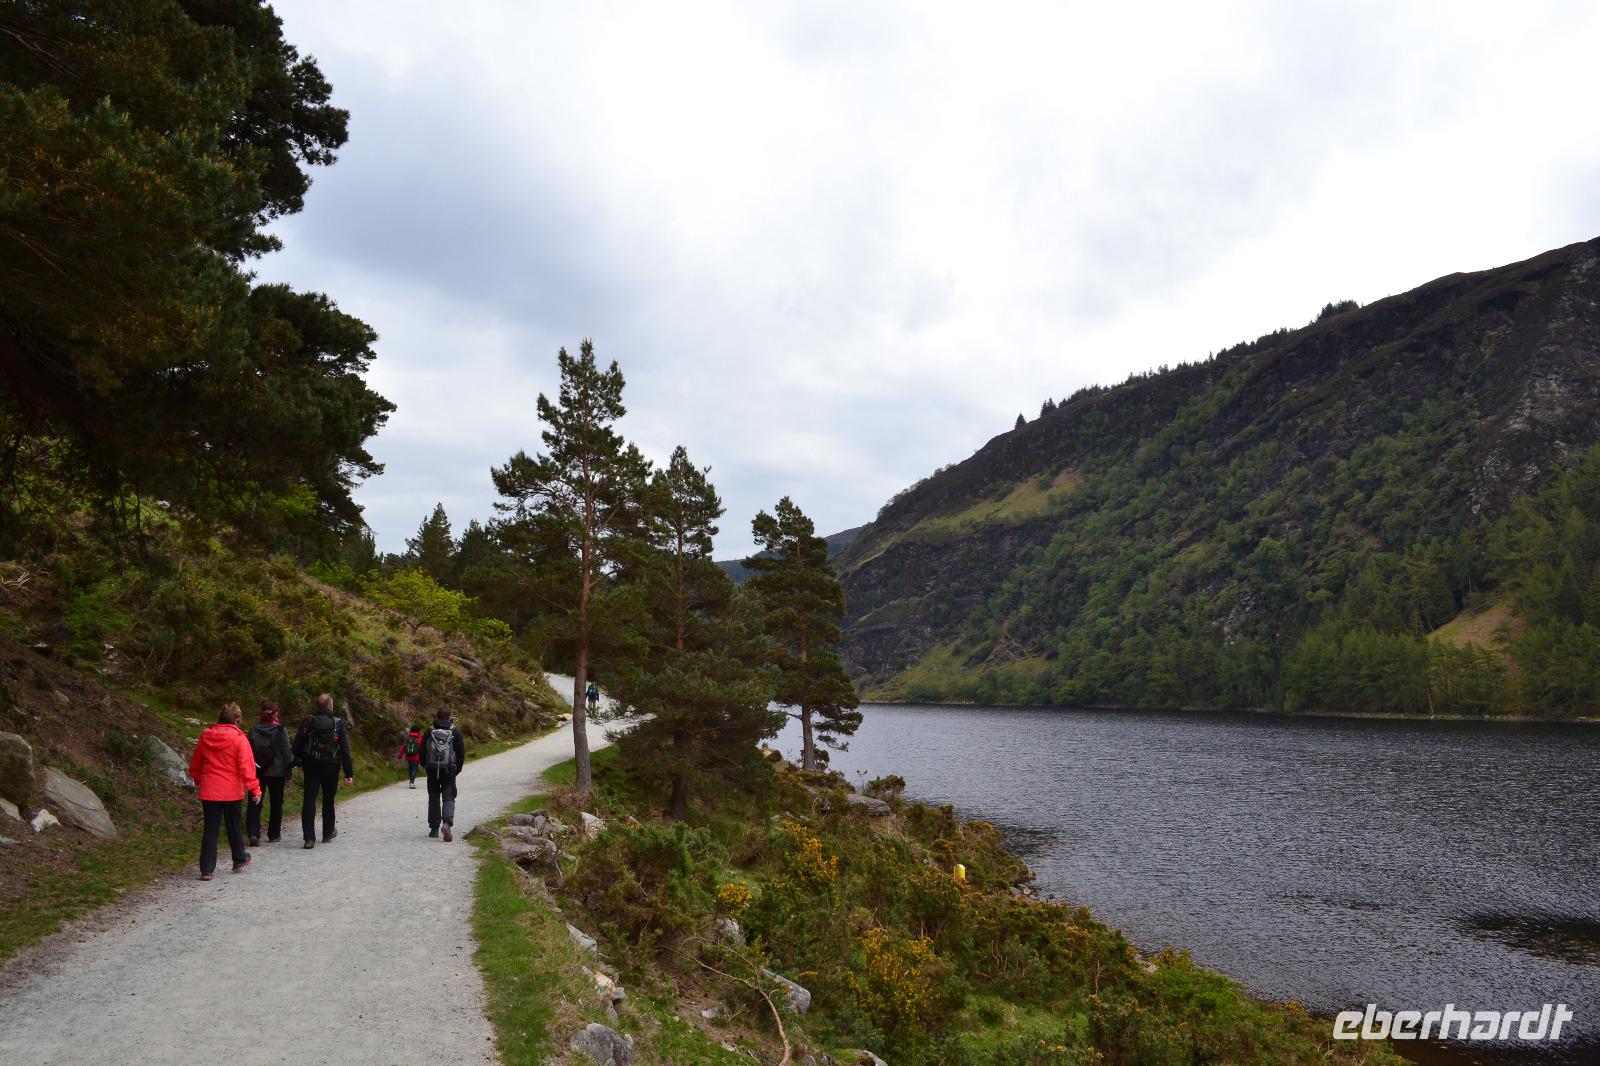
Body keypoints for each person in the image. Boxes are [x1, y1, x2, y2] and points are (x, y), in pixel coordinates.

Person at [187, 702, 261, 881]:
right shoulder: (239, 738)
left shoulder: (206, 736)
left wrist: (198, 780)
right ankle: (239, 859)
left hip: (210, 789)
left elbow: (196, 763)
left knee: (211, 829)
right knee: (233, 826)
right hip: (231, 791)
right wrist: (255, 789)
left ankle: (206, 869)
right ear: (236, 720)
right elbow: (246, 767)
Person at [292, 692, 353, 848]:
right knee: (328, 800)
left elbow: (296, 747)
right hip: (331, 767)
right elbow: (345, 750)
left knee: (309, 800)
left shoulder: (308, 721)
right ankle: (327, 834)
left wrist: (305, 758)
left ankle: (309, 839)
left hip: (311, 767)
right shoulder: (337, 723)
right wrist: (348, 773)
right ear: (330, 706)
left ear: (317, 706)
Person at [246, 702, 293, 845]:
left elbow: (248, 753)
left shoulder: (253, 730)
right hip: (277, 773)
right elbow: (286, 753)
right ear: (276, 713)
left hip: (258, 771)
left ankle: (253, 834)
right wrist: (288, 774)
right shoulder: (280, 730)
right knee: (276, 803)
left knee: (255, 802)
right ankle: (274, 834)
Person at [421, 708, 465, 842]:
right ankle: (446, 824)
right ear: (449, 717)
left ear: (437, 716)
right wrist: (457, 769)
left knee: (433, 797)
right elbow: (461, 752)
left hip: (432, 770)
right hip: (449, 771)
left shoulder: (430, 731)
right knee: (449, 797)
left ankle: (434, 829)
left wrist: (425, 766)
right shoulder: (455, 732)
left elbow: (422, 750)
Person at [399, 723, 423, 788]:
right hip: (416, 756)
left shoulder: (408, 737)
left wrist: (400, 755)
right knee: (415, 769)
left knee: (410, 769)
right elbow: (422, 748)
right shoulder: (420, 738)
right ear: (418, 730)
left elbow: (403, 747)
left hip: (408, 756)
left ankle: (410, 782)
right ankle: (411, 783)